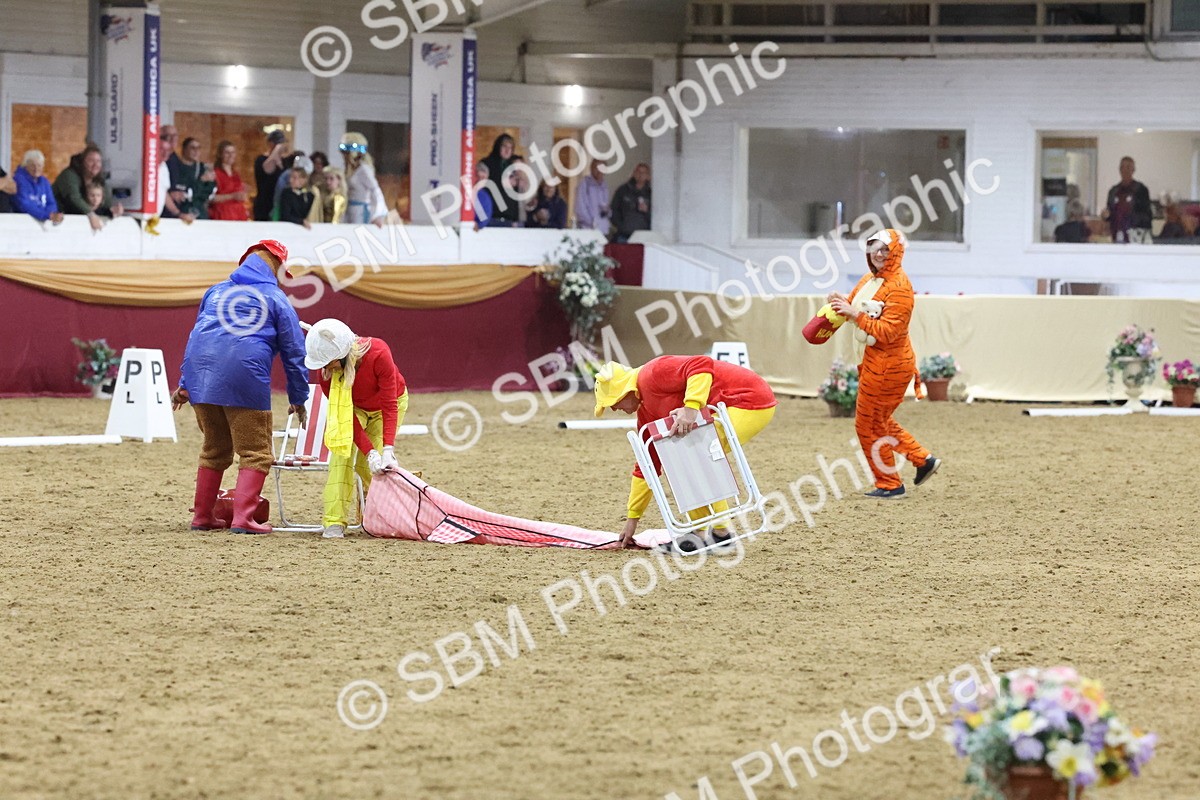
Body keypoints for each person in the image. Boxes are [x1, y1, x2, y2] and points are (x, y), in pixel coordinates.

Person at [171, 239, 309, 535]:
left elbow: (198, 337)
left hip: (201, 378)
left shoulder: (215, 291)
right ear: (277, 267)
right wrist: (299, 397)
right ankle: (243, 519)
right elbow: (295, 351)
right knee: (256, 452)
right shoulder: (275, 298)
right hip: (245, 379)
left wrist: (185, 385)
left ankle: (203, 516)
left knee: (214, 449)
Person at [593, 355, 777, 550]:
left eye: (612, 403)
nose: (614, 409)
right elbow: (648, 466)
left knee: (694, 455)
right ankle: (708, 532)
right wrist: (633, 519)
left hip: (748, 399)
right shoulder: (645, 412)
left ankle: (718, 532)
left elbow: (701, 364)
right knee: (687, 455)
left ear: (623, 391)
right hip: (737, 403)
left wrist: (691, 407)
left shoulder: (653, 373)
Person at [827, 228, 940, 499]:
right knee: (878, 420)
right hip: (874, 363)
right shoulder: (870, 279)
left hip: (889, 366)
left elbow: (888, 332)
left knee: (867, 425)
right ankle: (922, 460)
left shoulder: (899, 287)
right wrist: (842, 302)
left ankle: (890, 483)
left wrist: (855, 314)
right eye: (874, 247)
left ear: (896, 253)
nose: (878, 254)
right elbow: (854, 306)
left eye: (885, 249)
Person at [303, 318, 409, 539]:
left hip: (388, 406)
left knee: (371, 466)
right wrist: (369, 451)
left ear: (342, 355)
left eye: (329, 363)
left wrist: (387, 449)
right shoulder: (326, 375)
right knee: (341, 456)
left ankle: (384, 514)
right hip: (354, 409)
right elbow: (346, 417)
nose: (325, 369)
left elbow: (389, 404)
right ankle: (334, 521)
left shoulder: (379, 353)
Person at [52, 145, 123, 230]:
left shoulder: (100, 180)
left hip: (79, 223)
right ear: (83, 162)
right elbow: (74, 198)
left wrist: (113, 210)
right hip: (58, 221)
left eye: (98, 161)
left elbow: (106, 202)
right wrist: (91, 214)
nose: (95, 164)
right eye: (91, 161)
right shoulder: (69, 175)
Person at [340, 132, 389, 226]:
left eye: (346, 152)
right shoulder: (349, 170)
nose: (343, 156)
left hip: (360, 212)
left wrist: (378, 214)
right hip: (349, 209)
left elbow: (376, 191)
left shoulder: (364, 170)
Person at [1101, 156, 1152, 243]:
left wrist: (1128, 218)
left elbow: (1147, 216)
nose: (1125, 170)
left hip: (1135, 237)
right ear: (1119, 170)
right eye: (1122, 167)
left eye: (1128, 167)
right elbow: (1109, 213)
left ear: (1133, 170)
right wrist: (1105, 216)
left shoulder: (1141, 190)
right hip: (1116, 234)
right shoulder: (1113, 191)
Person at [12, 150, 63, 224]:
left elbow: (51, 203)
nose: (36, 169)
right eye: (32, 165)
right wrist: (46, 215)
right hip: (21, 222)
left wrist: (49, 215)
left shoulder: (44, 182)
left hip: (42, 221)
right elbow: (23, 204)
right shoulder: (18, 180)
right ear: (25, 166)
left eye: (39, 165)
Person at [173, 137, 216, 220]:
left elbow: (210, 193)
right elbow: (184, 192)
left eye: (198, 148)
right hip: (181, 212)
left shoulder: (203, 168)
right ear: (184, 149)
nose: (196, 151)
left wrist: (195, 191)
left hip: (200, 213)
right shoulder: (177, 168)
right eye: (193, 148)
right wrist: (201, 181)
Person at [480, 133, 519, 224]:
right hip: (490, 215)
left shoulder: (513, 167)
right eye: (504, 146)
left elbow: (515, 195)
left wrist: (515, 218)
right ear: (498, 147)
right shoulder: (487, 164)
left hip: (508, 217)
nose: (507, 150)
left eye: (510, 148)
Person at [253, 129, 289, 221]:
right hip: (264, 203)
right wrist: (276, 151)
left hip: (280, 203)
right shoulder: (261, 160)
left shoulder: (285, 161)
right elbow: (268, 170)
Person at [208, 140, 249, 221]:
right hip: (223, 214)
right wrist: (232, 196)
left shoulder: (236, 174)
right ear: (220, 154)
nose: (230, 155)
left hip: (238, 214)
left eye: (233, 152)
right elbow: (210, 197)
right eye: (227, 152)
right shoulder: (215, 174)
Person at [610, 162, 652, 242]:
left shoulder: (650, 194)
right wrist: (621, 226)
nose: (640, 175)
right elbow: (614, 210)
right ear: (634, 173)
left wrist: (647, 211)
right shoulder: (623, 190)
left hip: (643, 236)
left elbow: (657, 217)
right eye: (638, 172)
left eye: (643, 173)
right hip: (624, 235)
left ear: (648, 176)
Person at [278, 156, 320, 228]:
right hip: (287, 228)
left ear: (304, 179)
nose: (290, 180)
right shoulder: (287, 193)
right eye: (291, 177)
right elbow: (285, 215)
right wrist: (301, 221)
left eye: (294, 178)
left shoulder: (310, 195)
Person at [575, 159, 610, 233]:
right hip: (587, 229)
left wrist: (608, 212)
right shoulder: (585, 183)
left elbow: (606, 208)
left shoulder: (604, 186)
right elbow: (580, 208)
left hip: (602, 229)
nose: (599, 171)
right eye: (596, 168)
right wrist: (592, 223)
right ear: (591, 168)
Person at [472, 162, 497, 230]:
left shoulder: (483, 197)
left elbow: (483, 220)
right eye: (478, 177)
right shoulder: (464, 191)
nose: (480, 181)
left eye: (483, 178)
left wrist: (478, 225)